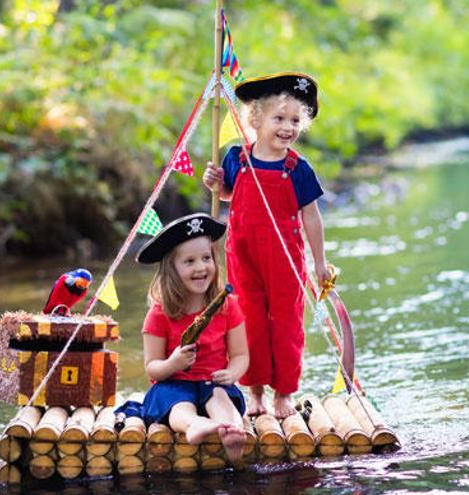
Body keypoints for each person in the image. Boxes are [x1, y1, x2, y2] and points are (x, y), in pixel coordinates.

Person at [203, 72, 330, 419]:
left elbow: (312, 216)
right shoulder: (236, 157)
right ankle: (255, 390)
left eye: (294, 120)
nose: (287, 127)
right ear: (256, 120)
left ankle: (284, 393)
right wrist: (214, 182)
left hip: (285, 255)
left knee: (287, 323)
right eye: (279, 118)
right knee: (249, 320)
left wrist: (319, 264)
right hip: (243, 252)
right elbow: (230, 193)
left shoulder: (298, 168)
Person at [118, 213, 248, 463]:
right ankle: (194, 424)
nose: (201, 267)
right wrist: (173, 364)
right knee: (176, 402)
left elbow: (241, 355)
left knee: (220, 394)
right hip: (174, 385)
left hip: (214, 383)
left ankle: (232, 431)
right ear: (172, 269)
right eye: (189, 261)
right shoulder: (159, 314)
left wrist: (232, 373)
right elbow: (153, 368)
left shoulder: (227, 306)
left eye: (206, 258)